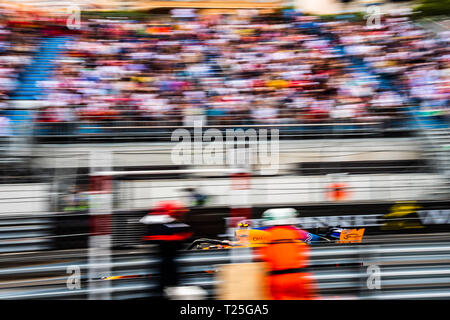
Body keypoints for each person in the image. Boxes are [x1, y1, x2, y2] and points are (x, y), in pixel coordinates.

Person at [256, 208, 319, 300]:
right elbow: (306, 252)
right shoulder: (299, 234)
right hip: (298, 277)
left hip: (275, 279)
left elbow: (262, 256)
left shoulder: (264, 235)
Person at [139, 201, 193, 299]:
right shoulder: (173, 227)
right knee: (169, 281)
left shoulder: (160, 227)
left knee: (165, 281)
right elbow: (182, 240)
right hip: (169, 261)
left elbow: (151, 240)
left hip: (164, 260)